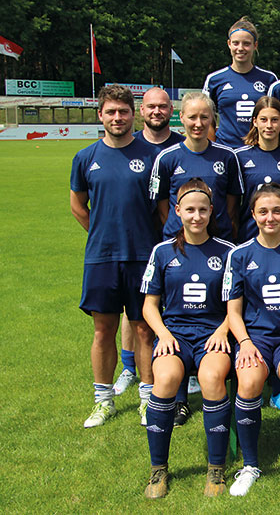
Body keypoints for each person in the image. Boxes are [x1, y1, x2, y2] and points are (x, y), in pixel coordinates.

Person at [140, 179, 234, 499]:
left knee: (211, 378)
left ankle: (216, 469)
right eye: (190, 210)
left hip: (213, 334)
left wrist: (223, 329)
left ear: (212, 211)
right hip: (175, 334)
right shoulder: (163, 251)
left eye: (202, 210)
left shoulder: (227, 252)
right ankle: (158, 470)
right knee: (165, 380)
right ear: (178, 211)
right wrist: (163, 334)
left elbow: (237, 305)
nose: (196, 216)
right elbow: (150, 305)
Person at [70, 84, 157, 428]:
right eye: (111, 112)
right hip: (101, 258)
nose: (117, 118)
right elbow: (78, 207)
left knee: (144, 330)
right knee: (103, 331)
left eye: (123, 111)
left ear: (133, 114)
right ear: (100, 115)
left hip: (142, 256)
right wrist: (102, 233)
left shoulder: (151, 156)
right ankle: (103, 401)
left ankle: (148, 400)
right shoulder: (85, 157)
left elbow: (161, 209)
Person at [223, 184, 280, 495]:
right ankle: (250, 465)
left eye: (277, 210)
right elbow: (233, 312)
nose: (270, 217)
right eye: (263, 211)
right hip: (256, 338)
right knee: (249, 382)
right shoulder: (239, 255)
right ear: (253, 214)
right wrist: (246, 343)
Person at [114, 87, 185, 399]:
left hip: (175, 236)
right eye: (151, 106)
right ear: (141, 111)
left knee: (180, 299)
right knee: (137, 306)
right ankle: (130, 366)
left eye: (163, 107)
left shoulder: (182, 145)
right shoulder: (131, 145)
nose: (157, 111)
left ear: (171, 110)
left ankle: (182, 360)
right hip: (138, 241)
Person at [150, 92, 243, 243]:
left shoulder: (228, 156)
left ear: (212, 118)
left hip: (218, 240)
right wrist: (181, 228)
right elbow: (162, 207)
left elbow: (232, 205)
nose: (198, 124)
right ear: (181, 117)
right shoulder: (166, 158)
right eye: (192, 117)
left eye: (204, 117)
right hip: (179, 242)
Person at [234, 96, 280, 243]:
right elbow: (233, 205)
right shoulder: (239, 157)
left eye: (275, 120)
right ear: (255, 121)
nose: (269, 125)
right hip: (249, 237)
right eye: (264, 119)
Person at [203, 17, 278, 148]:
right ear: (229, 44)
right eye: (236, 43)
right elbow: (207, 118)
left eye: (246, 43)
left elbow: (277, 117)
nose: (240, 48)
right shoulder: (215, 79)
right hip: (226, 149)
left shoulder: (269, 79)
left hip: (258, 150)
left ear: (255, 45)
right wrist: (213, 149)